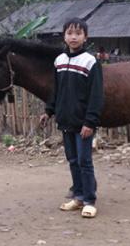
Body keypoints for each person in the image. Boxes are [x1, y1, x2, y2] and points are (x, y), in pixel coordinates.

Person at [39, 17, 104, 218]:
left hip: (83, 123)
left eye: (78, 33)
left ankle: (89, 201)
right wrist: (48, 111)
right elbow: (56, 91)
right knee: (73, 160)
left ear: (85, 37)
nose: (73, 37)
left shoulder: (91, 62)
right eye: (69, 33)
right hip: (66, 121)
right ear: (64, 36)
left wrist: (90, 122)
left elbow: (96, 96)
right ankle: (77, 197)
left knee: (85, 161)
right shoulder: (59, 61)